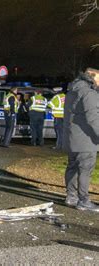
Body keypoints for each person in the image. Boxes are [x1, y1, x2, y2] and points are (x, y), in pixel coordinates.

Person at [63, 68, 99, 212]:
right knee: (85, 169)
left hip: (72, 138)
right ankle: (83, 200)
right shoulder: (89, 93)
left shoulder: (73, 90)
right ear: (91, 77)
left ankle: (71, 196)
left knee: (72, 167)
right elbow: (94, 119)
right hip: (86, 139)